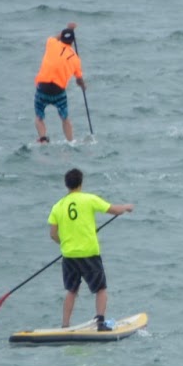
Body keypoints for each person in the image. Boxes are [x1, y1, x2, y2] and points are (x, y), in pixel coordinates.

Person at [47, 168, 134, 329]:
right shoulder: (89, 199)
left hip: (69, 255)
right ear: (81, 183)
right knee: (100, 288)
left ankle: (65, 326)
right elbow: (114, 210)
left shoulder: (57, 206)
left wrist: (66, 243)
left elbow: (53, 234)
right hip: (89, 253)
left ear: (67, 185)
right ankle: (100, 322)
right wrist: (126, 207)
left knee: (72, 290)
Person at [33, 23, 85, 144]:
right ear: (73, 41)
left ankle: (43, 139)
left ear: (61, 37)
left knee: (39, 117)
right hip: (58, 91)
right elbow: (79, 79)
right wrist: (83, 85)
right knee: (65, 118)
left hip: (43, 88)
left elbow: (56, 37)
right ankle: (71, 142)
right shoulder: (75, 58)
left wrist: (68, 29)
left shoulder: (51, 44)